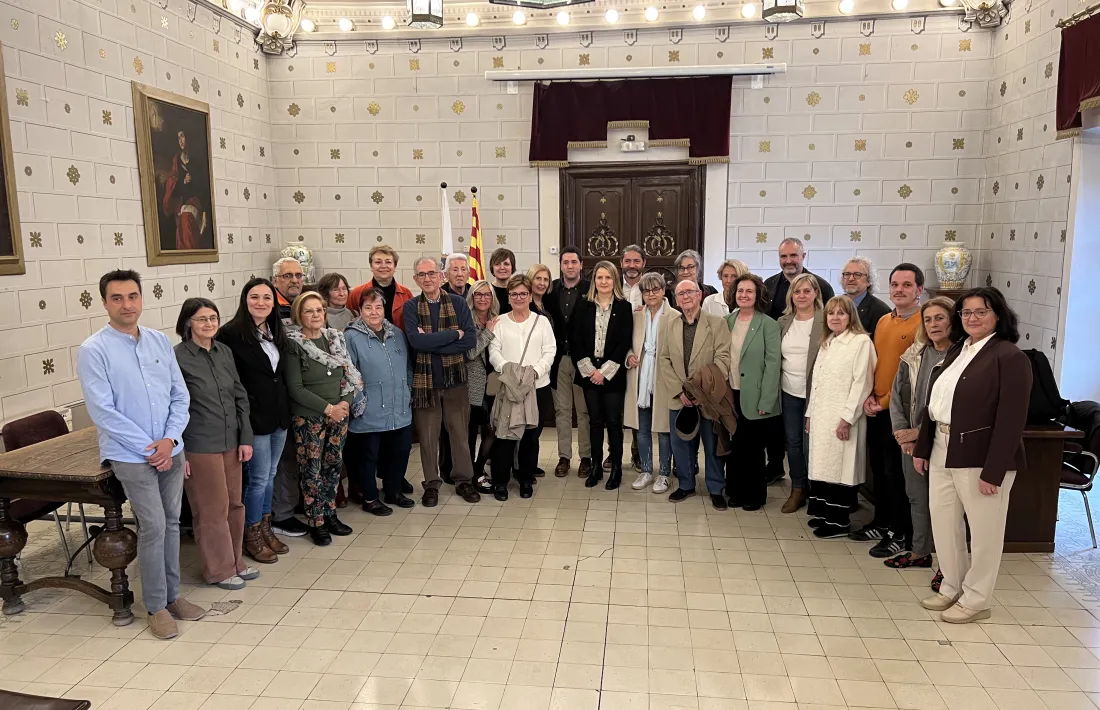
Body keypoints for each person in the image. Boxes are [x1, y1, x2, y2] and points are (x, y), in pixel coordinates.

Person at [77, 269, 206, 640]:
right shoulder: (94, 350)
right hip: (131, 456)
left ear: (141, 299)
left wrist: (168, 440)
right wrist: (150, 449)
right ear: (105, 303)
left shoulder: (158, 342)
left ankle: (172, 596)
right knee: (153, 526)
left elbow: (180, 396)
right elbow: (103, 412)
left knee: (171, 522)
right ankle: (155, 606)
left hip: (170, 449)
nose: (126, 304)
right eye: (117, 298)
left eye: (132, 296)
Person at [914, 288, 1031, 624]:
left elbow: (1012, 419)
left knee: (984, 531)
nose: (972, 318)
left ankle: (978, 598)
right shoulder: (958, 350)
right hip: (942, 448)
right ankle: (951, 585)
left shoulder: (1009, 357)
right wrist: (923, 449)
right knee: (945, 523)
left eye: (981, 311)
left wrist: (993, 471)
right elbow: (934, 407)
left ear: (998, 315)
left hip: (980, 455)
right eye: (966, 313)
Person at [173, 298, 257, 591]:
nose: (209, 324)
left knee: (234, 503)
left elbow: (240, 397)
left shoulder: (224, 352)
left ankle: (236, 562)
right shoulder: (178, 357)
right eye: (201, 319)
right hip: (199, 443)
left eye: (213, 318)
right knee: (211, 508)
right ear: (188, 324)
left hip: (231, 441)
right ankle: (218, 569)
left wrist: (245, 438)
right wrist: (178, 452)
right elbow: (171, 408)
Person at [850, 264, 925, 558]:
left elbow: (913, 377)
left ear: (919, 289)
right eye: (895, 284)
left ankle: (900, 532)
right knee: (879, 471)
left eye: (907, 285)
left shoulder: (921, 323)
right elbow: (877, 363)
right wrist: (869, 396)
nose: (900, 290)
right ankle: (881, 521)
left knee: (899, 475)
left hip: (902, 412)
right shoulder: (883, 321)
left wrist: (882, 402)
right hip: (878, 406)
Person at [216, 278, 292, 563]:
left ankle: (266, 526)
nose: (261, 302)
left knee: (271, 474)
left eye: (266, 298)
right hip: (253, 417)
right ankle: (251, 534)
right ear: (244, 300)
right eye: (254, 297)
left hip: (278, 415)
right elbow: (230, 381)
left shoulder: (275, 330)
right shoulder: (230, 334)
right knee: (258, 479)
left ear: (274, 302)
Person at [402, 256, 481, 506]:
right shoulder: (411, 307)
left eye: (431, 273)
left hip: (456, 381)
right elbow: (416, 342)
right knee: (427, 437)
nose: (427, 278)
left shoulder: (458, 303)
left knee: (460, 434)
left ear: (441, 276)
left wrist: (433, 343)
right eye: (421, 275)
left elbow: (469, 341)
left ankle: (463, 481)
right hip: (425, 383)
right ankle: (431, 484)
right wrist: (451, 336)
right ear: (416, 279)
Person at [886, 297, 956, 573]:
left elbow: (952, 406)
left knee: (945, 505)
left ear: (953, 320)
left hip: (942, 440)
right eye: (928, 319)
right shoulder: (915, 353)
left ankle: (948, 567)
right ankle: (919, 551)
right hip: (911, 440)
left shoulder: (961, 357)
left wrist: (919, 432)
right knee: (917, 497)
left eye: (940, 318)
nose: (933, 324)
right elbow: (897, 395)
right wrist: (903, 432)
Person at [285, 292, 362, 545]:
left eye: (319, 310)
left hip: (338, 415)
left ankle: (330, 514)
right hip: (310, 419)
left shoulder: (335, 339)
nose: (315, 315)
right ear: (299, 315)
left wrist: (344, 404)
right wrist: (328, 409)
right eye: (309, 311)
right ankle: (316, 521)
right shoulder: (293, 344)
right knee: (312, 470)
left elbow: (349, 376)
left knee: (333, 467)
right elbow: (296, 389)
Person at [805, 296, 877, 538]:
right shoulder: (827, 341)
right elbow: (817, 382)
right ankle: (825, 515)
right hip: (822, 415)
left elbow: (862, 383)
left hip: (843, 419)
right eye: (831, 313)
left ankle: (839, 522)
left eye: (841, 313)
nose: (835, 317)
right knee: (823, 468)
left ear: (851, 317)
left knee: (840, 470)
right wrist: (810, 414)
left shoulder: (860, 342)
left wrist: (847, 418)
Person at [344, 288, 417, 516]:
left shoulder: (396, 333)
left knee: (400, 451)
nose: (374, 312)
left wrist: (407, 391)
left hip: (399, 405)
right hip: (369, 408)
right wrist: (359, 403)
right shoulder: (351, 337)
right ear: (360, 310)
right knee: (368, 457)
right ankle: (370, 498)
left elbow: (407, 366)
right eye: (368, 307)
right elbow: (349, 373)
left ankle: (393, 491)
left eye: (378, 307)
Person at [658, 279, 731, 502]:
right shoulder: (670, 325)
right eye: (680, 294)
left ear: (699, 295)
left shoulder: (716, 323)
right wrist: (681, 391)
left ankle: (716, 488)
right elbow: (664, 359)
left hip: (708, 397)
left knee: (711, 443)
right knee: (680, 443)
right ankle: (686, 484)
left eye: (690, 292)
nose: (685, 297)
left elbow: (723, 358)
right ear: (676, 299)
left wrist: (701, 389)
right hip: (680, 396)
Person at [488, 274, 557, 500]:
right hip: (508, 387)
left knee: (530, 437)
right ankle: (500, 481)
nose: (519, 297)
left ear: (530, 296)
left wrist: (534, 372)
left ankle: (525, 478)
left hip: (537, 387)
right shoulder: (500, 321)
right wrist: (509, 370)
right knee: (505, 436)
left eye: (523, 294)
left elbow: (550, 350)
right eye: (514, 294)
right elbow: (494, 351)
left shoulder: (542, 321)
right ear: (508, 297)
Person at [571, 261, 634, 490]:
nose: (604, 282)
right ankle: (596, 466)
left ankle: (616, 469)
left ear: (614, 280)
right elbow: (575, 338)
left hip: (612, 374)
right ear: (594, 280)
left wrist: (604, 372)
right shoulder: (583, 305)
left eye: (608, 278)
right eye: (599, 277)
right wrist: (590, 371)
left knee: (613, 422)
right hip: (589, 372)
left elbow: (623, 342)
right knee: (594, 421)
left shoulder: (624, 307)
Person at [723, 273, 781, 511]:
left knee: (754, 449)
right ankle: (735, 492)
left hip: (757, 396)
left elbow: (773, 364)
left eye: (749, 291)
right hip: (731, 393)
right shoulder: (727, 321)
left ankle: (754, 496)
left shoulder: (769, 324)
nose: (744, 295)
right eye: (740, 291)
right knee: (735, 447)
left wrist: (766, 400)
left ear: (757, 295)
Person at [776, 273, 825, 514]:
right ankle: (797, 488)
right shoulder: (784, 322)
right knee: (793, 442)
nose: (802, 296)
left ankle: (817, 491)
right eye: (797, 292)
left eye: (807, 291)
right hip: (789, 391)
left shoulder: (826, 321)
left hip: (816, 394)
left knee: (813, 444)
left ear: (816, 293)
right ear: (791, 296)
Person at [545, 246, 592, 478]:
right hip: (558, 360)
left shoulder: (591, 289)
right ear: (561, 265)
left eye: (574, 262)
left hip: (583, 359)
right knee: (562, 411)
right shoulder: (551, 289)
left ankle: (586, 457)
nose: (570, 266)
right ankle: (564, 457)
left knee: (584, 412)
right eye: (566, 262)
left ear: (581, 264)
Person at [625, 272, 674, 492]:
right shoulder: (636, 316)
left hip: (663, 378)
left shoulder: (674, 316)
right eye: (646, 290)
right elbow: (626, 343)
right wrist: (629, 356)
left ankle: (664, 473)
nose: (651, 294)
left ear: (664, 290)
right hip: (641, 377)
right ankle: (646, 470)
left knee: (663, 428)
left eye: (655, 289)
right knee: (642, 428)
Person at [466, 281, 500, 488]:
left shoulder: (497, 318)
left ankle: (479, 469)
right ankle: (471, 474)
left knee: (492, 431)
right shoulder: (466, 320)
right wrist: (487, 332)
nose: (483, 298)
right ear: (472, 297)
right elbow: (469, 353)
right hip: (473, 386)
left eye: (487, 295)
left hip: (494, 384)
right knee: (471, 433)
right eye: (478, 295)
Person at [763, 237, 835, 321]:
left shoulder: (822, 286)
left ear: (803, 256)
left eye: (793, 255)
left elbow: (831, 319)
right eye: (783, 256)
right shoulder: (768, 285)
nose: (788, 261)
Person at [163, 130, 209, 251]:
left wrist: (204, 215)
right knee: (183, 224)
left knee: (186, 218)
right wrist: (182, 182)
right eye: (178, 138)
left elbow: (204, 189)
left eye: (182, 136)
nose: (181, 140)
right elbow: (172, 188)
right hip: (181, 204)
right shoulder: (176, 162)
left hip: (196, 204)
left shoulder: (196, 162)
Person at [348, 245, 413, 330]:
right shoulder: (357, 293)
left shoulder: (406, 294)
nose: (383, 266)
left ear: (395, 266)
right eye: (378, 262)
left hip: (399, 341)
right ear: (371, 266)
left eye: (388, 262)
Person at [841, 256, 891, 339]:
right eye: (847, 274)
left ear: (869, 281)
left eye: (857, 275)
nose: (851, 278)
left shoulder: (880, 311)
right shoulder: (835, 305)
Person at [272, 256, 305, 324]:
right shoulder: (269, 308)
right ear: (275, 281)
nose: (294, 281)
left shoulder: (307, 304)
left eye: (298, 275)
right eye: (287, 276)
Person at [490, 247, 517, 315]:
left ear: (512, 267)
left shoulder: (519, 291)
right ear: (492, 268)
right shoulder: (487, 290)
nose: (502, 267)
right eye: (497, 264)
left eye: (506, 264)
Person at [620, 244, 646, 310]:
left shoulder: (653, 287)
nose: (632, 266)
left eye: (636, 261)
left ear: (644, 263)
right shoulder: (613, 285)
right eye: (627, 261)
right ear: (621, 263)